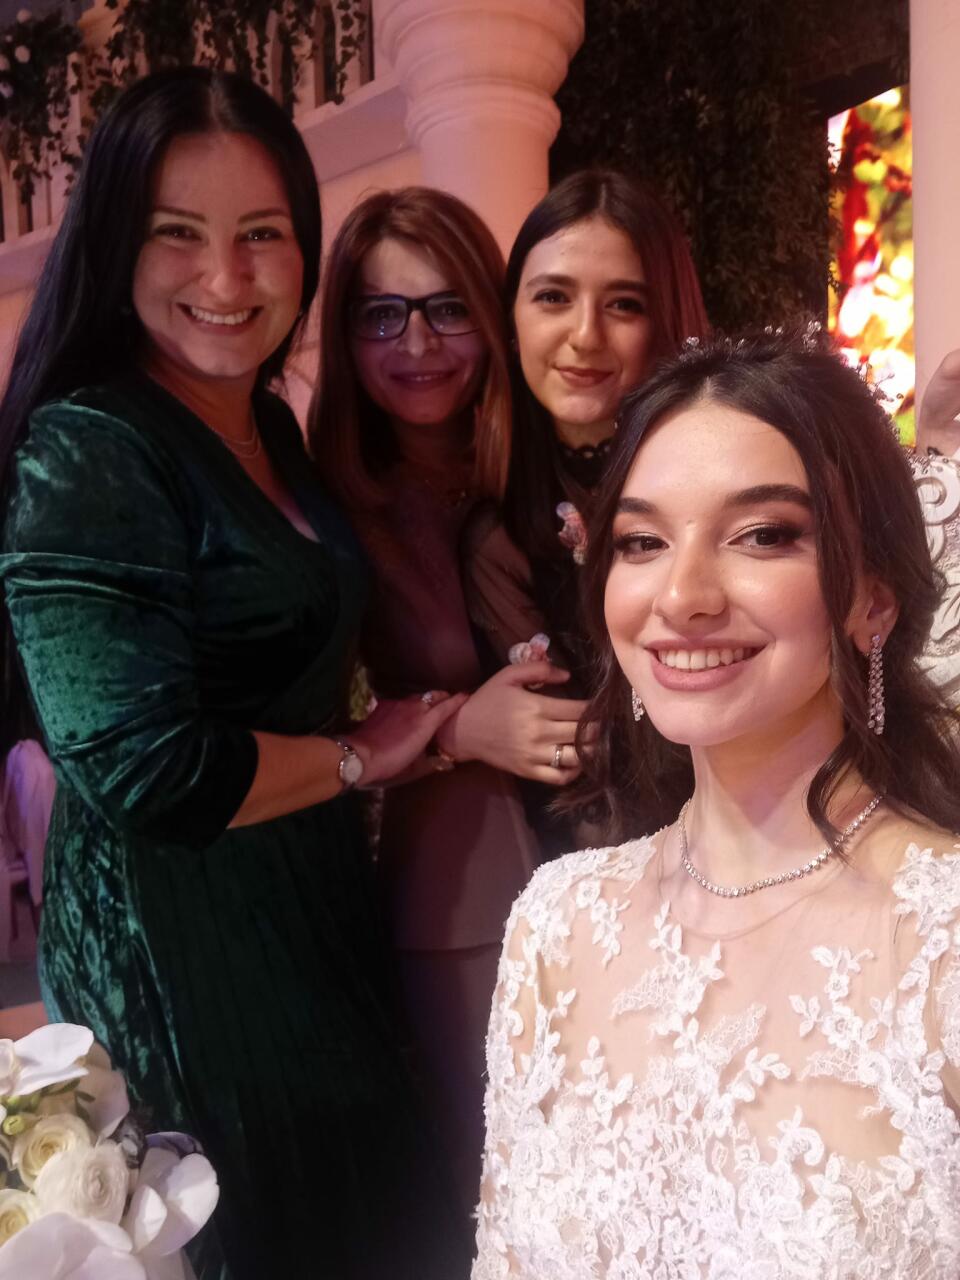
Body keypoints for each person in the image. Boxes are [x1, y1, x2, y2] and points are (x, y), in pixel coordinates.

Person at [0, 69, 472, 1280]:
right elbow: (144, 770)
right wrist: (362, 753)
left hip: (309, 903)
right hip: (179, 941)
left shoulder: (273, 424)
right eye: (179, 234)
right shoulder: (89, 444)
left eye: (262, 233)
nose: (226, 276)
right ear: (116, 243)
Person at [473, 330, 960, 1278]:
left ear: (873, 598)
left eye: (762, 535)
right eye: (642, 542)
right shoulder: (556, 926)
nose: (682, 595)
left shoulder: (940, 940)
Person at [308, 187, 586, 1218]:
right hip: (463, 878)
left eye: (447, 308)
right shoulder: (325, 505)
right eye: (381, 315)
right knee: (507, 1179)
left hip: (632, 846)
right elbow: (300, 722)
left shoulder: (556, 450)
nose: (417, 344)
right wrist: (457, 730)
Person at [461, 170, 708, 851]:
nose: (585, 334)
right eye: (553, 297)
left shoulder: (725, 475)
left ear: (666, 321)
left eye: (624, 304)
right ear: (512, 323)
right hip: (609, 866)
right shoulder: (497, 536)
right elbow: (579, 767)